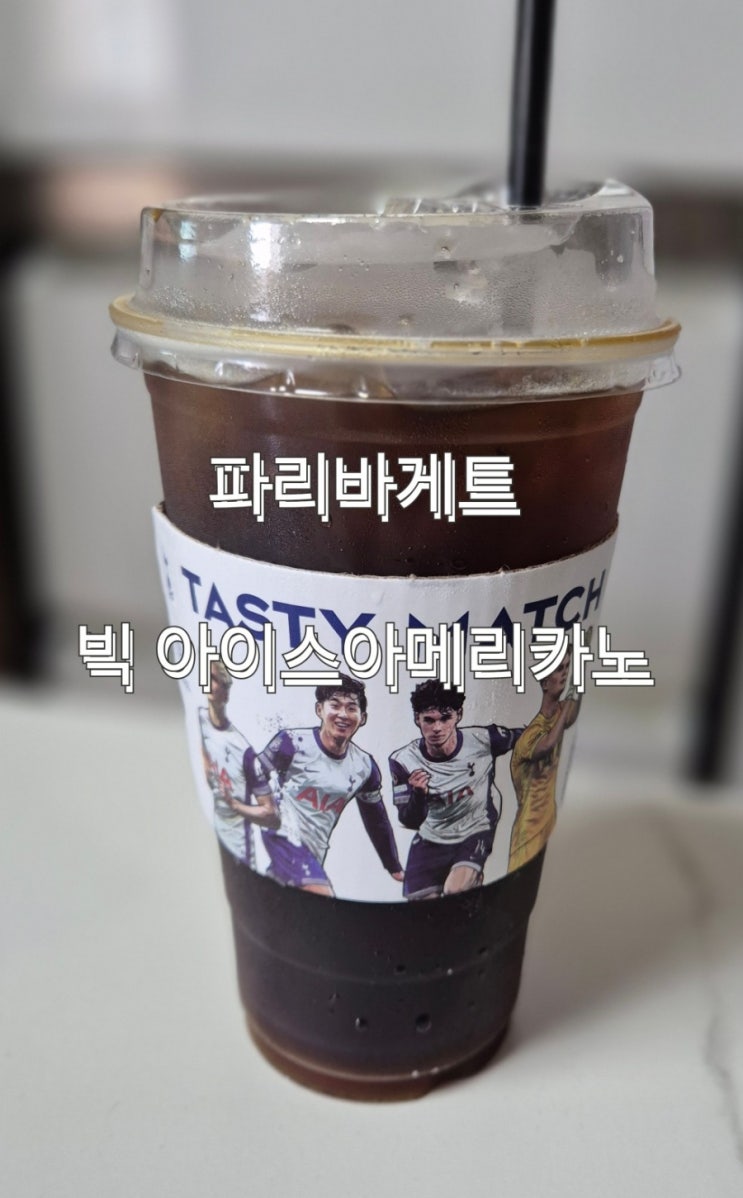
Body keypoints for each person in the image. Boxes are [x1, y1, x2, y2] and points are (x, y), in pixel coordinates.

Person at [259, 675, 403, 897]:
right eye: (335, 706)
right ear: (319, 709)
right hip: (283, 834)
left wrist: (392, 865)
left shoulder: (364, 767)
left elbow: (376, 819)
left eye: (351, 708)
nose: (343, 715)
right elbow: (253, 774)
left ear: (363, 718)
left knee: (276, 897)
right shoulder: (292, 742)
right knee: (323, 896)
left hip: (314, 850)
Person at [389, 680, 523, 900]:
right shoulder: (403, 760)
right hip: (432, 837)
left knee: (455, 891)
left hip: (475, 828)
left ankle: (473, 882)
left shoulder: (483, 739)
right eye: (429, 720)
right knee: (421, 911)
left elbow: (529, 737)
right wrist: (419, 795)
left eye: (445, 718)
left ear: (458, 715)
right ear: (417, 719)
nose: (437, 728)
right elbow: (409, 820)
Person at [199, 661, 279, 868]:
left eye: (214, 679)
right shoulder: (199, 720)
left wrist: (235, 805)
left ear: (226, 693)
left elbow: (271, 815)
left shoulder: (243, 751)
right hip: (214, 838)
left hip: (240, 852)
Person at [508, 647, 581, 873]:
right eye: (559, 668)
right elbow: (548, 744)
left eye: (567, 667)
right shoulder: (531, 735)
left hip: (549, 818)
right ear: (544, 682)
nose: (565, 673)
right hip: (528, 832)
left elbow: (572, 714)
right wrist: (567, 705)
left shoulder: (561, 712)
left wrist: (580, 666)